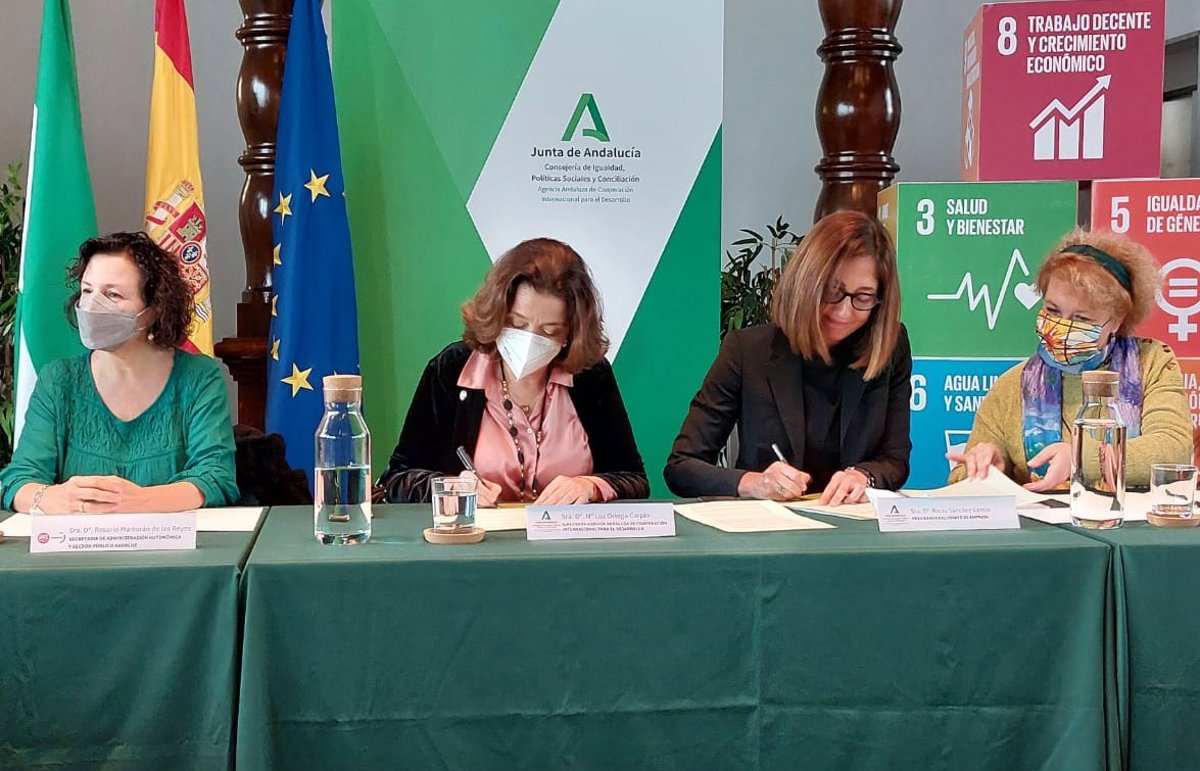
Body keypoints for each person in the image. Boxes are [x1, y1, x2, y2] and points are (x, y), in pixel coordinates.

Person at [664, 210, 911, 505]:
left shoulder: (891, 346)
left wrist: (864, 476)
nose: (844, 312)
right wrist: (753, 483)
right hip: (767, 527)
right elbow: (682, 466)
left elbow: (894, 459)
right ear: (806, 284)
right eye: (833, 292)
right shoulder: (746, 351)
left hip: (854, 525)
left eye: (863, 297)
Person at [380, 238, 649, 505]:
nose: (530, 340)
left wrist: (590, 486)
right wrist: (451, 488)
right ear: (498, 314)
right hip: (477, 533)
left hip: (568, 533)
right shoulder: (452, 368)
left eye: (549, 331)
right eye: (517, 324)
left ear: (571, 334)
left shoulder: (590, 375)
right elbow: (396, 480)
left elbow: (634, 478)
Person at [0, 231, 239, 513]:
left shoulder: (199, 377)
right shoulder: (58, 379)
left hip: (169, 540)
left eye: (113, 294)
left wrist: (138, 501)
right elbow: (17, 480)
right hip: (78, 538)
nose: (92, 306)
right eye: (87, 291)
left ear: (154, 308)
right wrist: (54, 498)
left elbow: (215, 477)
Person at [949, 229, 1191, 489]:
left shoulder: (1151, 363)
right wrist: (987, 472)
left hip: (1130, 515)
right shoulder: (1013, 385)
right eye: (1053, 310)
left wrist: (1080, 458)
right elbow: (961, 478)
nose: (1061, 327)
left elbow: (1173, 449)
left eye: (1081, 318)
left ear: (1116, 321)